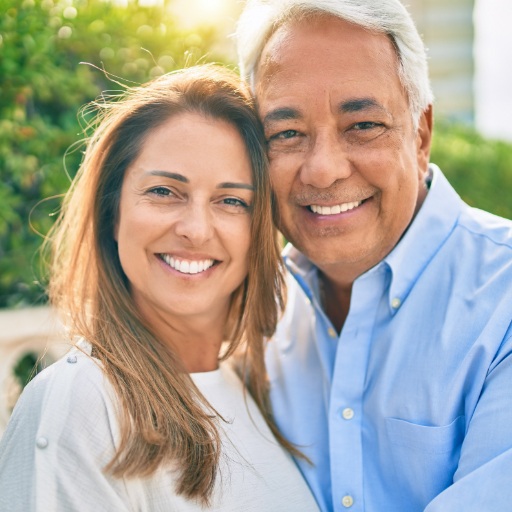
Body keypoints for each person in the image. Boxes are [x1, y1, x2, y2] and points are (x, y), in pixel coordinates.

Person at [0, 64, 320, 512]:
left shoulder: (256, 392)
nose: (195, 229)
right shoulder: (81, 403)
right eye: (164, 191)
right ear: (113, 213)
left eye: (231, 200)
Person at [235, 1, 512, 511]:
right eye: (287, 134)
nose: (322, 170)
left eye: (362, 125)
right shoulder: (246, 315)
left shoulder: (505, 302)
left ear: (421, 133)